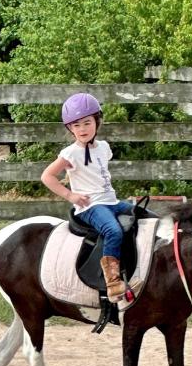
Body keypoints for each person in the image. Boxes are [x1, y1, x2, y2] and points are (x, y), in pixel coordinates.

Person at [41, 92, 141, 303]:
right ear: (70, 129)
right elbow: (47, 176)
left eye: (87, 123)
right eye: (76, 126)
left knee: (146, 215)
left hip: (111, 202)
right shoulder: (70, 153)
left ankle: (140, 269)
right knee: (112, 230)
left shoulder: (104, 147)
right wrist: (70, 195)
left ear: (97, 122)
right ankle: (112, 282)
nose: (82, 129)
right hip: (90, 206)